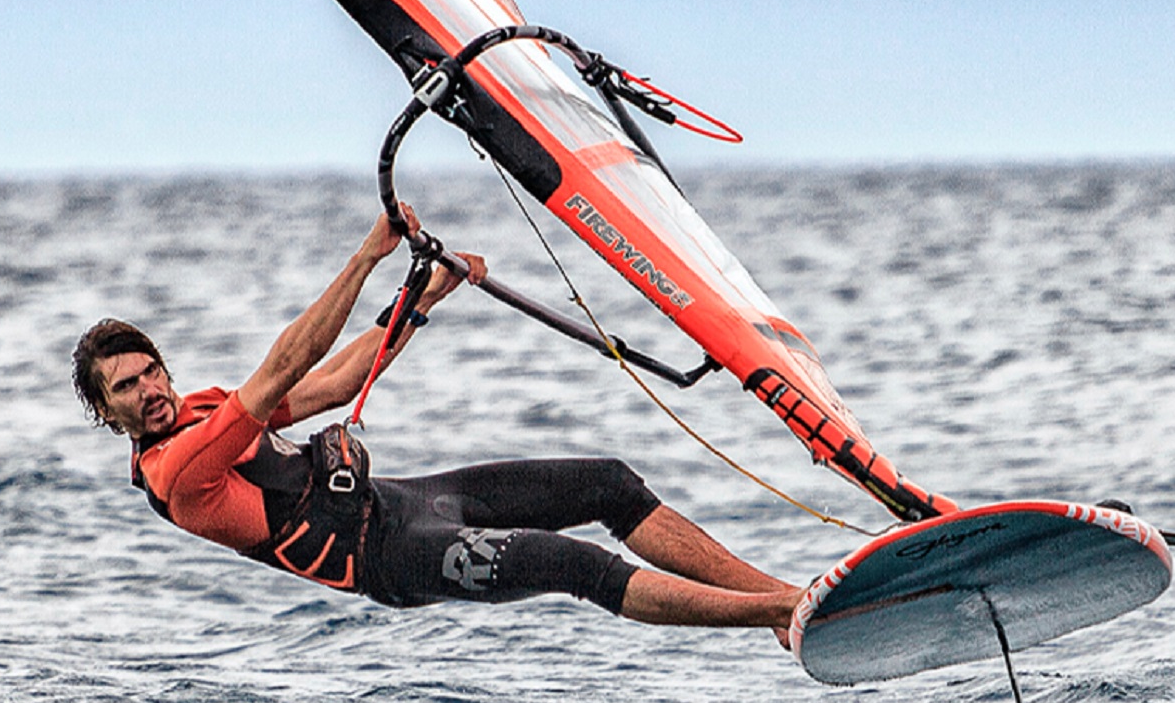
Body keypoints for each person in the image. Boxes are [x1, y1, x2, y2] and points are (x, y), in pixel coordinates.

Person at [73, 204, 803, 631]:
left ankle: (776, 596)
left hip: (410, 500)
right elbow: (288, 362)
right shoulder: (179, 473)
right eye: (125, 388)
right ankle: (780, 612)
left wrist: (424, 295)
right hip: (393, 558)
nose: (148, 390)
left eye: (150, 370)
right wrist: (367, 256)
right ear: (108, 413)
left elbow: (336, 382)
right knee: (573, 564)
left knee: (607, 482)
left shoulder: (200, 405)